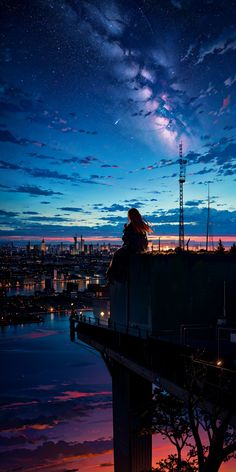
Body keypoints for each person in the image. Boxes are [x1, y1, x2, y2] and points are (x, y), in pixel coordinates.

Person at [107, 208, 152, 283]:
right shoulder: (142, 225)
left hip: (132, 248)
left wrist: (125, 230)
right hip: (140, 249)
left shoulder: (131, 226)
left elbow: (126, 239)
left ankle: (112, 276)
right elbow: (143, 240)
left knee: (116, 254)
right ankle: (113, 276)